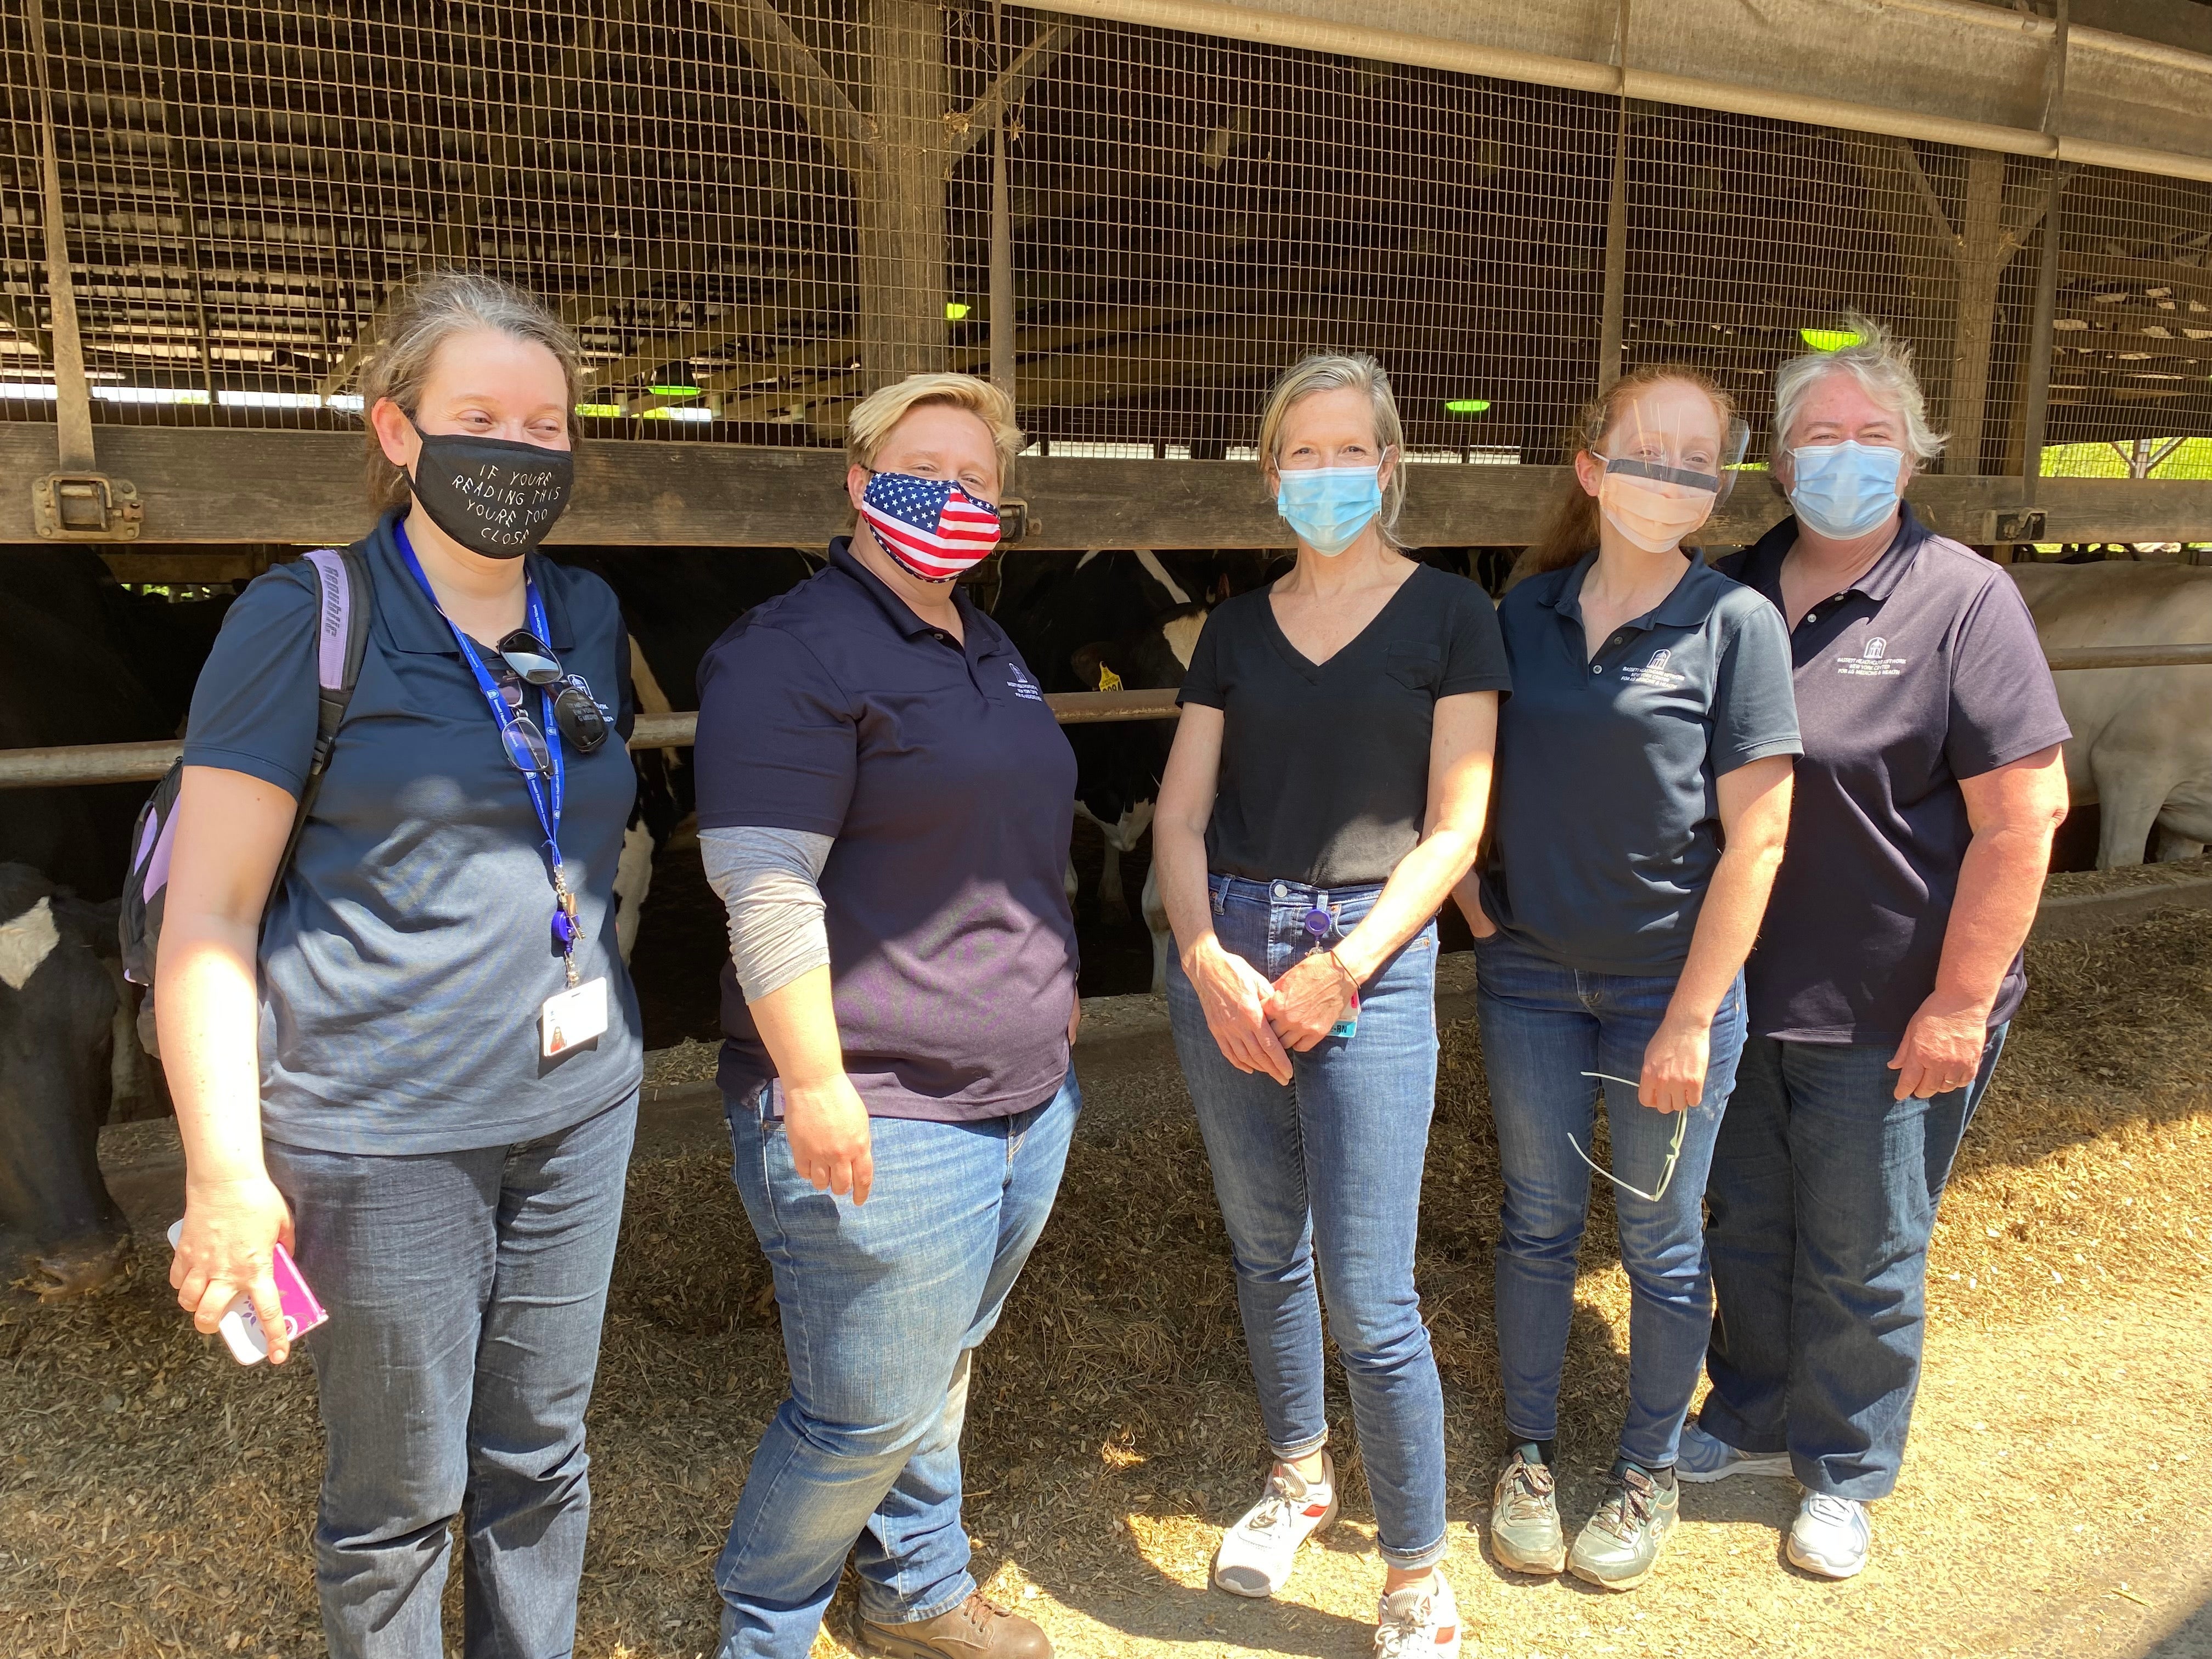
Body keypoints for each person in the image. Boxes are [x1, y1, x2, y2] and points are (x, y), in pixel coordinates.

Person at [161, 272, 643, 1658]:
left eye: (545, 425)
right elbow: (210, 917)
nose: (518, 450)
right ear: (397, 430)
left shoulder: (586, 615)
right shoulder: (304, 619)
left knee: (541, 1454)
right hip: (384, 1137)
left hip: (579, 1110)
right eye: (478, 415)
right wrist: (224, 1175)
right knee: (399, 1499)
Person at [695, 373, 1080, 1659]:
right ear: (861, 483)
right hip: (882, 1095)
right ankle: (764, 1625)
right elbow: (764, 884)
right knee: (862, 1408)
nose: (955, 498)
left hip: (1023, 1094)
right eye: (925, 469)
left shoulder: (987, 641)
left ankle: (915, 1589)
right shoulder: (790, 651)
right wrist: (813, 1080)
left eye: (979, 481)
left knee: (937, 1366)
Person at [1685, 319, 2071, 1579]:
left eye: (1874, 435)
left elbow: (2024, 818)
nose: (1846, 456)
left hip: (1890, 998)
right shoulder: (1730, 591)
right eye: (1819, 435)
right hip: (1739, 993)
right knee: (1746, 1218)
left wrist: (1961, 1001)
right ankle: (1747, 1414)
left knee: (1863, 1243)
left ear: (1912, 458)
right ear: (1781, 463)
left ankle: (1845, 1466)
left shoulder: (1963, 598)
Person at [1153, 352, 1508, 1658]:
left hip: (1367, 952)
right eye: (1299, 455)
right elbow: (1181, 815)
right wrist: (1199, 952)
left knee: (1371, 1288)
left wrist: (1347, 961)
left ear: (1392, 465)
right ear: (1269, 473)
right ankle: (1299, 1472)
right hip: (1231, 955)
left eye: (1347, 450)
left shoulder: (1451, 617)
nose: (1324, 474)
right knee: (1265, 1248)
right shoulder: (1236, 631)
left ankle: (1415, 1572)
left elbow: (1458, 823)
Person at [1459, 365, 1800, 1592]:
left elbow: (1758, 838)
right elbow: (1464, 770)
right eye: (1642, 450)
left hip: (1669, 986)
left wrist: (1697, 1016)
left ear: (1717, 485)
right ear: (1593, 466)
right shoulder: (1526, 611)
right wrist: (1468, 903)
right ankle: (1532, 1457)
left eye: (1694, 457)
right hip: (1535, 981)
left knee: (1659, 1239)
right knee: (1541, 1222)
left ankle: (1649, 1464)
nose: (1666, 473)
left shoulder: (1735, 624)